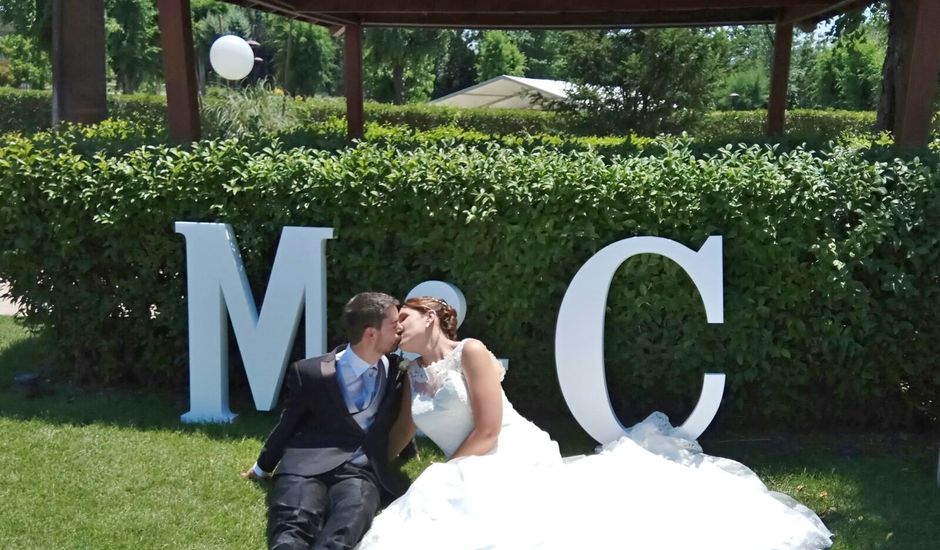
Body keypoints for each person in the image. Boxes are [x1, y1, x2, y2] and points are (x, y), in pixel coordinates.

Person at [356, 296, 834, 550]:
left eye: (404, 317)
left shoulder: (471, 352)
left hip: (503, 449)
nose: (396, 327)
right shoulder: (411, 372)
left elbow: (488, 427)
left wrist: (446, 469)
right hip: (466, 463)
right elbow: (402, 432)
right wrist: (364, 462)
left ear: (432, 316)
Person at [243, 292, 411, 550]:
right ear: (371, 334)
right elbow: (288, 424)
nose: (400, 328)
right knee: (292, 523)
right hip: (306, 463)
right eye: (393, 324)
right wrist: (262, 467)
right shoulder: (311, 372)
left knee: (348, 524)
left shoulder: (398, 371)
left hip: (360, 472)